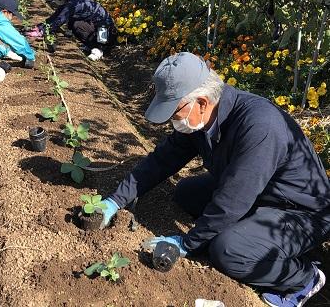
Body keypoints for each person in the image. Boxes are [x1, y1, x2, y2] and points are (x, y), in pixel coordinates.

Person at [100, 52, 330, 306]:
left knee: (227, 250)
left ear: (201, 102)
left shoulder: (259, 127)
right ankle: (258, 236)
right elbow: (163, 160)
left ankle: (303, 279)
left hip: (300, 211)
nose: (172, 121)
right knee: (186, 193)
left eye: (174, 113)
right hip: (258, 191)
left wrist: (187, 243)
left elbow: (232, 200)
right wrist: (114, 200)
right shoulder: (204, 117)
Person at [26, 0, 116, 61]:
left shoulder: (75, 2)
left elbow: (60, 19)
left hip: (105, 31)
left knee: (76, 25)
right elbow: (56, 15)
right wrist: (40, 27)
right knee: (72, 23)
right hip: (95, 26)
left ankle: (101, 49)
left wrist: (42, 31)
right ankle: (92, 45)